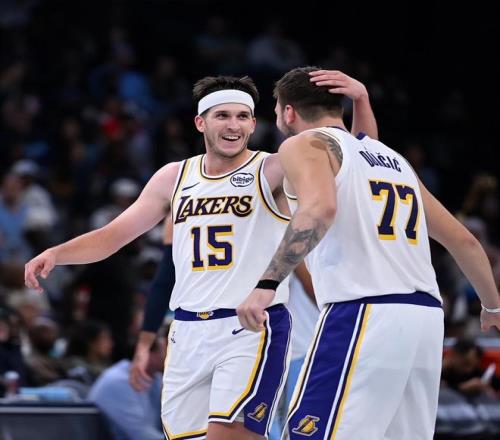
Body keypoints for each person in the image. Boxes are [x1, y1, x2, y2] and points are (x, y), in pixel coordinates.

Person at [25, 71, 377, 440]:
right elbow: (113, 236)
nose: (233, 125)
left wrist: (361, 102)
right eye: (222, 115)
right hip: (186, 332)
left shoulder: (272, 168)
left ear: (253, 124)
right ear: (200, 122)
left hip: (250, 329)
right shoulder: (174, 177)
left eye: (242, 116)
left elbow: (356, 164)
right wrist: (57, 253)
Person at [237, 66, 500, 439]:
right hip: (425, 321)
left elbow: (319, 209)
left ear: (289, 112)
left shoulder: (302, 143)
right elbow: (464, 241)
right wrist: (492, 307)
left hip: (363, 310)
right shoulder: (393, 162)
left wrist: (267, 283)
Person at [88, 333, 167, 440]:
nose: (169, 356)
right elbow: (140, 434)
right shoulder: (117, 381)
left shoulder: (156, 378)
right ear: (146, 354)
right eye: (164, 351)